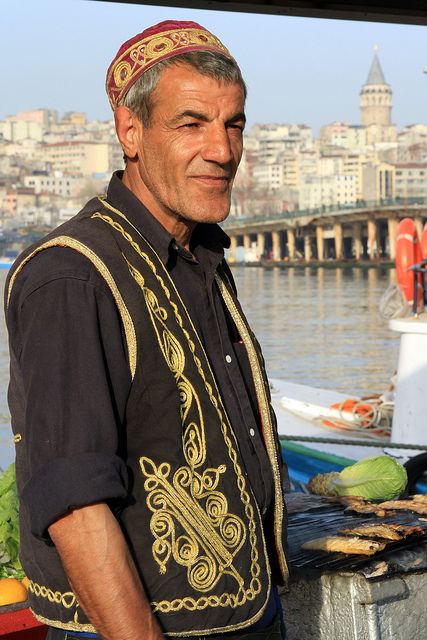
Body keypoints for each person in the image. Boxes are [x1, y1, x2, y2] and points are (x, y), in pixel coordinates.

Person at [5, 20, 289, 640]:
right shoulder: (74, 277)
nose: (222, 149)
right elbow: (75, 502)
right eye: (191, 124)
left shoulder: (201, 258)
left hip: (244, 615)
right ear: (130, 132)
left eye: (233, 123)